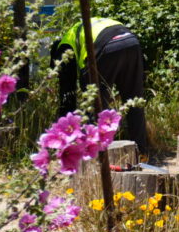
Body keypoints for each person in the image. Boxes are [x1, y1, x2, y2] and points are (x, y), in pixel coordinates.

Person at [51, 18, 148, 154]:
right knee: (134, 100)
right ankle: (141, 153)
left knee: (95, 106)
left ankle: (97, 157)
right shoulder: (79, 30)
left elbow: (68, 97)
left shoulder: (64, 48)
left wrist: (65, 137)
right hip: (131, 42)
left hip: (106, 46)